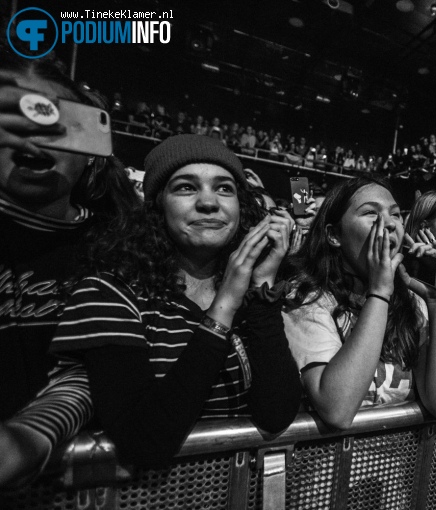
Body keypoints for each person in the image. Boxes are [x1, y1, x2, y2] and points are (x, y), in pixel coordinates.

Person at [49, 135, 302, 468]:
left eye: (225, 188)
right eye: (186, 187)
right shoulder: (109, 292)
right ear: (157, 206)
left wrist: (262, 288)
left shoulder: (251, 299)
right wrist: (224, 305)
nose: (209, 202)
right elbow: (143, 442)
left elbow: (276, 415)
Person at [0, 53, 139, 486]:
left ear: (90, 153)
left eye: (56, 123)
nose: (33, 141)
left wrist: (30, 435)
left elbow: (98, 364)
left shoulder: (120, 247)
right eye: (14, 118)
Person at [282, 176, 436, 429]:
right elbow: (338, 410)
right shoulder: (308, 297)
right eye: (370, 212)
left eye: (395, 214)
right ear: (334, 235)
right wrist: (379, 292)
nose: (388, 224)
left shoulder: (409, 301)